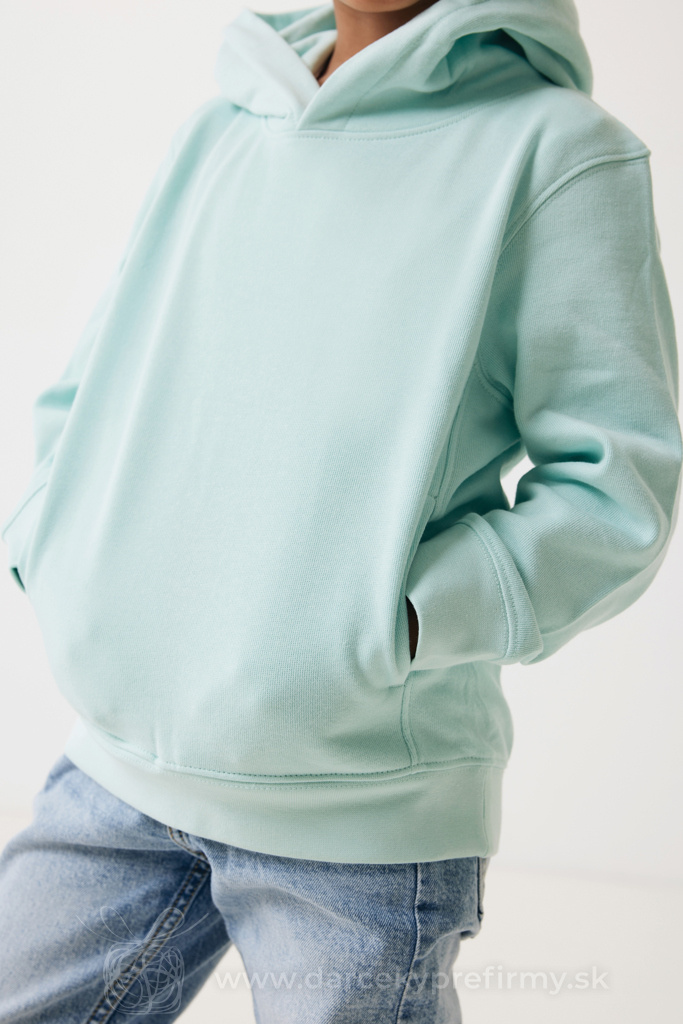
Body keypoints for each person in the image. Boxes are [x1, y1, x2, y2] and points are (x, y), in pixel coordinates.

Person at [0, 0, 680, 1020]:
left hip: (358, 816)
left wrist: (395, 625)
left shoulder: (555, 153)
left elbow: (615, 483)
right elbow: (95, 382)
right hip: (118, 769)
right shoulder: (225, 122)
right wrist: (47, 541)